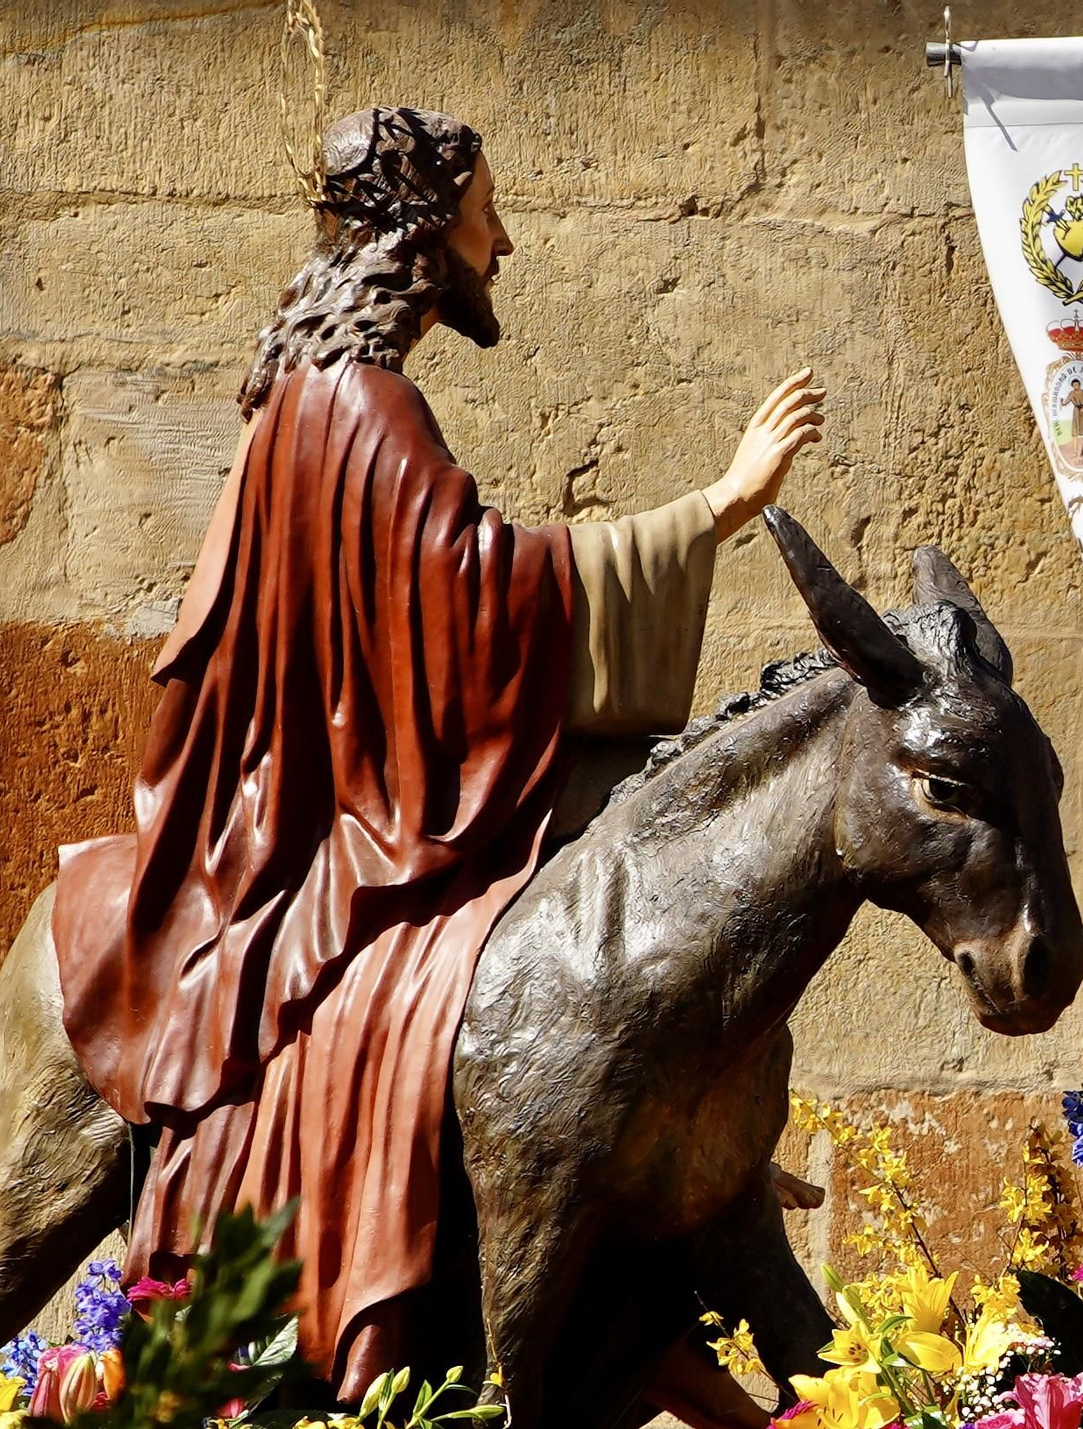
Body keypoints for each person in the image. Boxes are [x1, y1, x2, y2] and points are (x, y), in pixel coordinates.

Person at [49, 107, 825, 1398]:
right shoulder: (362, 405)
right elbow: (476, 602)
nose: (502, 240)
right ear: (424, 229)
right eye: (484, 212)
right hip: (344, 820)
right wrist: (719, 508)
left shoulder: (306, 396)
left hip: (342, 785)